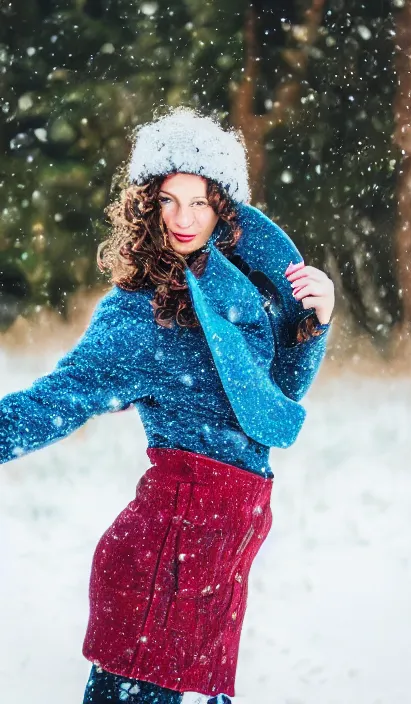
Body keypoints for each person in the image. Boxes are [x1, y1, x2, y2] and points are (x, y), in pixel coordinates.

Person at [0, 107, 335, 703]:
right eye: (169, 201)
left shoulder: (234, 288)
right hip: (168, 557)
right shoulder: (137, 312)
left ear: (224, 209)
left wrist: (316, 320)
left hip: (217, 554)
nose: (184, 219)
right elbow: (56, 401)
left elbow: (274, 401)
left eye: (201, 203)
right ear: (145, 205)